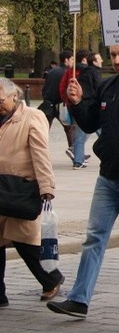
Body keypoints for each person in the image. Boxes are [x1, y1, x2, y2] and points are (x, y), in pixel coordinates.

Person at [47, 45, 119, 319]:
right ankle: (79, 299)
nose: (117, 60)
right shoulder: (108, 86)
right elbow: (90, 124)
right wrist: (76, 103)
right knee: (94, 238)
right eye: (113, 55)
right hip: (108, 177)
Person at [0, 78, 66, 306]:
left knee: (25, 241)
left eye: (1, 101)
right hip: (1, 187)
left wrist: (46, 187)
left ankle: (52, 279)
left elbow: (41, 154)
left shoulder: (32, 117)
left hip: (22, 189)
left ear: (14, 97)